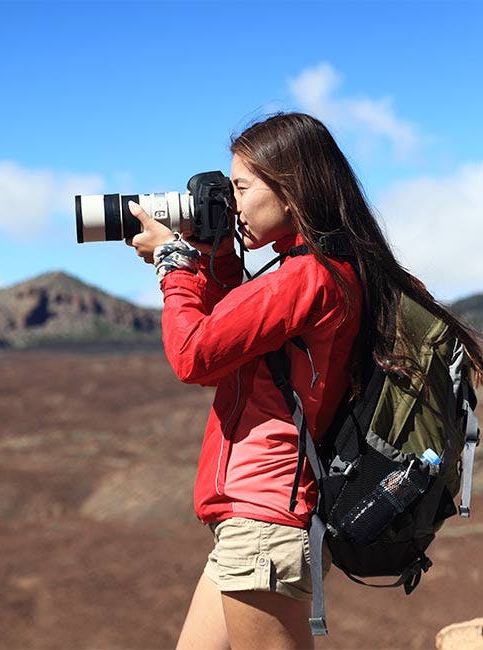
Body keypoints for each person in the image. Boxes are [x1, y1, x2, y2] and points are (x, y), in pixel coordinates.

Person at [125, 112, 483, 650]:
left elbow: (193, 355)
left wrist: (174, 265)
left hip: (266, 518)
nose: (234, 202)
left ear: (291, 190)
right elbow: (232, 348)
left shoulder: (308, 276)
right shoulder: (325, 269)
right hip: (252, 519)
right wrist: (219, 253)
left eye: (241, 187)